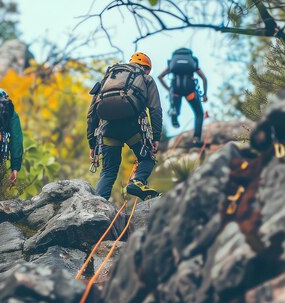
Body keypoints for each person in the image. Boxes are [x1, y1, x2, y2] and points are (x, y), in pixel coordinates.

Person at [87, 52, 162, 200]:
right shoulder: (146, 78)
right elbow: (155, 109)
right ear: (146, 68)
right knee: (147, 159)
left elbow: (91, 114)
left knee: (108, 171)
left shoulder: (108, 78)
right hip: (132, 128)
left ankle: (96, 204)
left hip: (108, 130)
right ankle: (138, 181)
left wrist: (92, 144)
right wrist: (156, 137)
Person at [157, 48, 208, 144]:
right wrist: (205, 94)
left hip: (176, 91)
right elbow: (204, 79)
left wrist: (168, 89)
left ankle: (174, 115)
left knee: (176, 109)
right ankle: (196, 138)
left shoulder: (173, 64)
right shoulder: (193, 63)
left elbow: (160, 76)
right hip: (190, 91)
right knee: (199, 114)